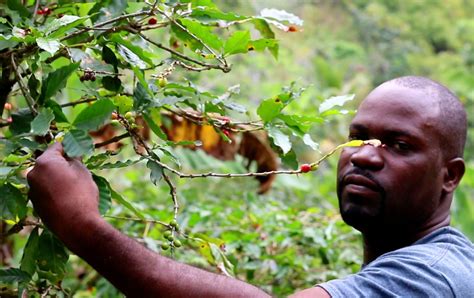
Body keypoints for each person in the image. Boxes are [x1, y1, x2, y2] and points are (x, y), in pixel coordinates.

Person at [27, 76, 473, 297]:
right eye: (359, 137)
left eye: (399, 145)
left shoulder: (436, 275)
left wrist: (82, 225)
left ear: (449, 176)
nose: (365, 155)